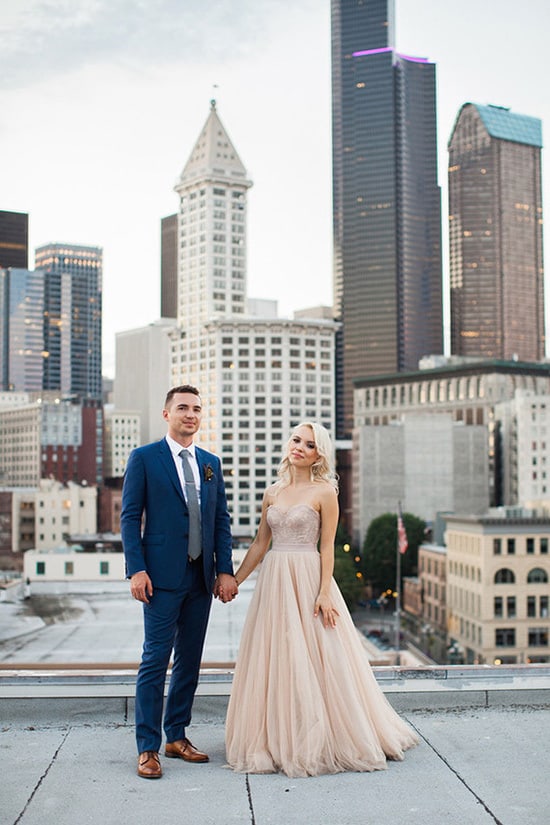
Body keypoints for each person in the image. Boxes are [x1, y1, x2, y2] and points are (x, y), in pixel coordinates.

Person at [225, 422, 418, 778]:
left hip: (308, 575)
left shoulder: (326, 492)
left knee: (318, 654)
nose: (299, 447)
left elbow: (327, 545)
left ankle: (325, 736)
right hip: (275, 578)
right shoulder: (273, 491)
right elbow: (259, 544)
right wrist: (235, 581)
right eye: (296, 439)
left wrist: (325, 591)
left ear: (319, 455)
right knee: (278, 655)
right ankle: (279, 734)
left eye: (309, 445)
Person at [121, 384, 238, 779]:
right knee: (155, 660)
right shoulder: (144, 458)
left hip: (201, 577)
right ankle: (147, 748)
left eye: (197, 409)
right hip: (159, 577)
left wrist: (225, 569)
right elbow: (129, 517)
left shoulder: (210, 463)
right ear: (166, 414)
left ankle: (176, 736)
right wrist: (136, 569)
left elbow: (220, 519)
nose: (191, 414)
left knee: (189, 661)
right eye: (183, 408)